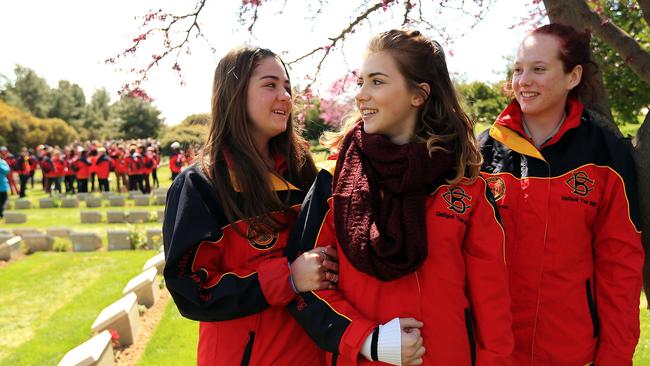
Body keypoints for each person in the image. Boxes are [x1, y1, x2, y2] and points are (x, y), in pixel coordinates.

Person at [288, 29, 514, 366]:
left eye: (377, 82)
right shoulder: (334, 182)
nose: (361, 95)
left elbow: (492, 302)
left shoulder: (465, 185)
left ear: (418, 95)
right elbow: (306, 290)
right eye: (360, 81)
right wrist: (368, 340)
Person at [479, 23, 643, 365]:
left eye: (538, 69)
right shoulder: (479, 153)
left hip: (570, 351)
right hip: (488, 352)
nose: (523, 81)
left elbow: (620, 266)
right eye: (518, 69)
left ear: (573, 76)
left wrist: (614, 358)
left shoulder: (606, 154)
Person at [163, 45, 337, 366]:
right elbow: (191, 291)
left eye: (287, 86)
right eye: (270, 85)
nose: (285, 95)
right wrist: (287, 278)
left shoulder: (302, 172)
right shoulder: (202, 184)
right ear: (235, 94)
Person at [0, 150, 9, 219]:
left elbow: (7, 170)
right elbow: (6, 170)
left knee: (3, 199)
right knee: (3, 199)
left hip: (2, 184)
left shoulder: (2, 162)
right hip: (2, 184)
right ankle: (1, 213)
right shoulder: (2, 162)